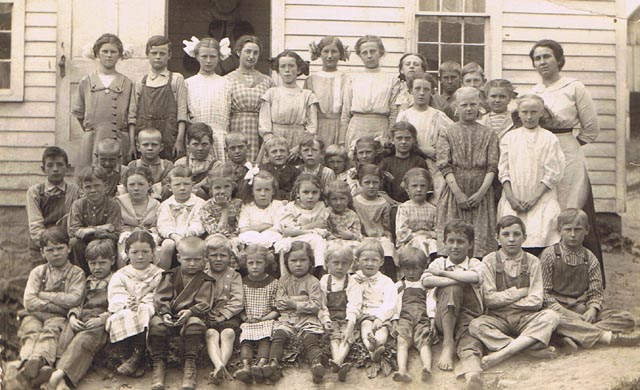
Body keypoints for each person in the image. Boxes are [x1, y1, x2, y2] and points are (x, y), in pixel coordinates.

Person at [528, 39, 604, 276]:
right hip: (540, 153)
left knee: (569, 211)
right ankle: (548, 277)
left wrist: (568, 146)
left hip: (568, 153)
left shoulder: (573, 87)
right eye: (537, 58)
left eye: (547, 56)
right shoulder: (533, 92)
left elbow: (591, 129)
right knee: (544, 213)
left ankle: (583, 278)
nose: (542, 62)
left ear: (558, 59)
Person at [468, 216, 561, 370]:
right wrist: (519, 293)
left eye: (516, 234)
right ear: (497, 237)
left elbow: (536, 301)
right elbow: (489, 299)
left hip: (525, 317)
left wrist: (504, 299)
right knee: (475, 325)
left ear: (524, 238)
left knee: (551, 316)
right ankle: (528, 350)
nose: (511, 239)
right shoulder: (489, 261)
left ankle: (504, 353)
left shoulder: (532, 261)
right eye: (506, 234)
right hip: (498, 317)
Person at [541, 209, 639, 349]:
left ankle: (572, 336)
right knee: (550, 320)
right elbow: (544, 294)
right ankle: (605, 337)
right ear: (559, 230)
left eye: (578, 230)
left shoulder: (590, 258)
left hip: (582, 309)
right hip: (558, 310)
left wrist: (592, 309)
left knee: (626, 318)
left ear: (587, 230)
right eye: (568, 229)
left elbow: (596, 292)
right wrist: (567, 313)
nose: (573, 234)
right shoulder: (549, 255)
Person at [16, 227, 85, 389]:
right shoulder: (38, 272)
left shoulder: (76, 273)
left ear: (68, 248)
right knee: (30, 331)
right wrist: (57, 305)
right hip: (34, 315)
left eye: (60, 248)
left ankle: (40, 360)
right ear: (42, 252)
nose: (56, 253)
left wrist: (44, 295)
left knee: (50, 333)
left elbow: (74, 298)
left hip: (57, 318)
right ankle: (28, 363)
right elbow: (29, 301)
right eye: (50, 250)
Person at [498, 94, 566, 256]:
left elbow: (553, 172)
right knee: (512, 238)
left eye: (534, 112)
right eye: (525, 112)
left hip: (541, 197)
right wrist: (511, 198)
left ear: (541, 113)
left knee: (541, 236)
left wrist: (535, 198)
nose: (529, 117)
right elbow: (503, 170)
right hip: (514, 197)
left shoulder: (549, 138)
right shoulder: (510, 137)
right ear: (518, 113)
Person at [436, 87, 499, 258]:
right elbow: (444, 165)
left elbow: (492, 166)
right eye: (464, 105)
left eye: (473, 104)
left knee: (480, 244)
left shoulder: (489, 134)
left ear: (480, 105)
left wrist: (480, 194)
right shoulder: (447, 132)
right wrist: (458, 194)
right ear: (457, 106)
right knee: (454, 239)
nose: (469, 108)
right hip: (455, 189)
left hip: (481, 190)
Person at [423, 219, 484, 390]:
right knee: (453, 288)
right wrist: (454, 279)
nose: (455, 246)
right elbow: (426, 280)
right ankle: (448, 343)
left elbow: (475, 277)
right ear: (444, 243)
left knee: (469, 342)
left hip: (468, 318)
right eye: (451, 241)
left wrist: (444, 275)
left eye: (461, 242)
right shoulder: (438, 262)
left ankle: (473, 374)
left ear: (470, 244)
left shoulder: (474, 264)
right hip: (444, 318)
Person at [47, 239, 115, 390]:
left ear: (112, 261)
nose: (97, 267)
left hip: (99, 323)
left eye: (102, 262)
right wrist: (72, 317)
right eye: (92, 263)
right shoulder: (87, 281)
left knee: (83, 341)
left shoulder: (116, 280)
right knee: (66, 336)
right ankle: (61, 379)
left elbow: (119, 306)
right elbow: (78, 302)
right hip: (81, 317)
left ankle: (60, 374)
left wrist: (102, 319)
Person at [148, 236, 214, 390]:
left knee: (196, 325)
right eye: (187, 259)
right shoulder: (169, 276)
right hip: (169, 315)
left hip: (191, 317)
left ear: (204, 260)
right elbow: (160, 297)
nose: (192, 264)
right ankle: (159, 362)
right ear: (178, 258)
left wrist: (191, 312)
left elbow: (205, 302)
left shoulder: (205, 280)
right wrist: (164, 313)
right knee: (156, 324)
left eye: (197, 260)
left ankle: (190, 362)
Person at [263, 241, 327, 384]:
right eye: (294, 260)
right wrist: (303, 299)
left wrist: (293, 303)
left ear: (310, 262)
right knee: (278, 337)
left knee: (310, 339)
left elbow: (316, 305)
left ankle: (316, 364)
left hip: (307, 319)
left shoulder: (313, 282)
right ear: (287, 262)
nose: (298, 264)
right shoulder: (284, 280)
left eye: (303, 260)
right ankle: (274, 364)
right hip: (287, 318)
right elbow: (279, 303)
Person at [106, 231, 163, 377]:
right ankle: (128, 356)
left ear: (153, 253)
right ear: (127, 253)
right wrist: (127, 302)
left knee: (142, 311)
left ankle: (139, 354)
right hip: (128, 307)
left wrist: (143, 302)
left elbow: (162, 294)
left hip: (148, 306)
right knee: (123, 315)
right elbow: (116, 294)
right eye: (135, 252)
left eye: (145, 252)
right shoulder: (121, 274)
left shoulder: (159, 274)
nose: (140, 256)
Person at [72, 33, 133, 168]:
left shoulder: (127, 83)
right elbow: (79, 114)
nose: (109, 55)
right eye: (105, 51)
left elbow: (131, 115)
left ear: (119, 55)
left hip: (119, 139)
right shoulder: (87, 81)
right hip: (93, 141)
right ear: (97, 54)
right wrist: (93, 131)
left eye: (113, 52)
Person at [128, 35, 188, 161]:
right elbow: (132, 116)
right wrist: (132, 144)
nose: (158, 57)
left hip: (168, 136)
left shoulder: (176, 79)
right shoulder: (140, 82)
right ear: (147, 54)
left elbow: (182, 114)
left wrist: (179, 140)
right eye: (154, 53)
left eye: (162, 53)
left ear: (169, 55)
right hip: (144, 136)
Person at [397, 73, 453, 199]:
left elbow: (453, 136)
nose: (421, 93)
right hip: (410, 162)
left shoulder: (438, 115)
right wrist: (423, 150)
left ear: (432, 92)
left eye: (426, 89)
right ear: (411, 91)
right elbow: (399, 140)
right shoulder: (404, 116)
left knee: (434, 198)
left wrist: (439, 148)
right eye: (417, 89)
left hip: (432, 165)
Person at [27, 147, 82, 265]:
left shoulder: (74, 190)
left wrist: (63, 246)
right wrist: (50, 247)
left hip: (66, 244)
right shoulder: (35, 192)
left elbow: (76, 221)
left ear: (67, 167)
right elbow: (35, 226)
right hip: (43, 245)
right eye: (50, 165)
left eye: (60, 165)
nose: (55, 169)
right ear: (43, 169)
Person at [341, 35, 398, 149]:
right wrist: (342, 141)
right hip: (357, 126)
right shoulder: (352, 78)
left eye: (373, 51)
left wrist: (390, 134)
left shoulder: (391, 79)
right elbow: (345, 112)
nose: (369, 56)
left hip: (381, 126)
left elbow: (393, 112)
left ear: (380, 53)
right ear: (360, 55)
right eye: (364, 53)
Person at [259, 50, 318, 159]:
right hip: (274, 144)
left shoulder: (307, 96)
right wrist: (274, 144)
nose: (287, 70)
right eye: (283, 66)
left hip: (299, 144)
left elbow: (312, 127)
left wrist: (299, 147)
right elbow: (264, 124)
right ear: (278, 70)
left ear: (298, 69)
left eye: (291, 66)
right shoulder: (271, 93)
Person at [226, 35, 275, 162]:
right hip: (235, 125)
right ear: (238, 52)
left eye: (255, 53)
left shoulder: (267, 81)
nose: (251, 56)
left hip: (258, 129)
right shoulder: (227, 79)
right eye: (247, 51)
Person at [234, 245, 279, 384]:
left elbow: (276, 309)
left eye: (258, 263)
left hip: (266, 318)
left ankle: (261, 364)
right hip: (249, 320)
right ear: (245, 264)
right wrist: (245, 318)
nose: (254, 266)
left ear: (266, 264)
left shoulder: (273, 283)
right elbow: (239, 306)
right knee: (245, 340)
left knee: (265, 339)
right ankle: (246, 366)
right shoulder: (242, 283)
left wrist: (263, 318)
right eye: (250, 263)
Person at [319, 244, 363, 382]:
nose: (340, 267)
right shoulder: (325, 281)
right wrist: (325, 320)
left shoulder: (352, 282)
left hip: (346, 317)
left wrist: (350, 325)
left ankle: (338, 360)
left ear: (350, 265)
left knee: (347, 336)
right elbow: (322, 304)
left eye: (344, 263)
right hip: (331, 317)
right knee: (334, 336)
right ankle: (338, 361)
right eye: (335, 263)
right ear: (327, 264)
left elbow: (354, 305)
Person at [204, 235, 244, 385]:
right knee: (210, 334)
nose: (218, 259)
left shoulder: (234, 275)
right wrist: (207, 312)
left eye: (223, 255)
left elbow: (238, 301)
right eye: (214, 255)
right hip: (209, 315)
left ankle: (220, 367)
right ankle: (219, 365)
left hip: (229, 315)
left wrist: (224, 314)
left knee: (228, 333)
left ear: (230, 257)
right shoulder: (203, 275)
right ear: (207, 257)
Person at [184, 37, 231, 162]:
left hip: (220, 138)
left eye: (213, 57)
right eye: (204, 56)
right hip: (197, 139)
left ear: (219, 57)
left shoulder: (226, 83)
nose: (208, 61)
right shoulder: (188, 83)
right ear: (197, 56)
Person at [68, 167, 122, 275]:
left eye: (97, 185)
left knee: (109, 244)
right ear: (82, 189)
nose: (93, 190)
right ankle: (83, 275)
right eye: (88, 187)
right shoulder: (78, 205)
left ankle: (108, 276)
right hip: (84, 242)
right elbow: (73, 230)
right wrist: (102, 228)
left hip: (106, 242)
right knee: (74, 242)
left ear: (105, 186)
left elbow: (114, 232)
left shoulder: (113, 205)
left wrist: (89, 230)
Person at [392, 246, 434, 384]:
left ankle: (427, 367)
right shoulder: (400, 285)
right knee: (402, 342)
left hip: (422, 318)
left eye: (415, 269)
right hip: (405, 319)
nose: (410, 273)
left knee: (424, 342)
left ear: (423, 267)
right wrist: (394, 320)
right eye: (407, 269)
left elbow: (431, 302)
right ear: (401, 268)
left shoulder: (425, 285)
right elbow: (395, 304)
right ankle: (402, 370)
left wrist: (432, 319)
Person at [275, 174, 330, 277]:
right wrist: (310, 227)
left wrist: (301, 229)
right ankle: (285, 278)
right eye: (306, 192)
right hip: (293, 238)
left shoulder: (321, 206)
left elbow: (323, 227)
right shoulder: (290, 208)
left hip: (312, 236)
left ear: (319, 193)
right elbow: (287, 231)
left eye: (314, 192)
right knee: (284, 246)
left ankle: (320, 270)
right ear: (298, 193)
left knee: (317, 240)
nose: (310, 196)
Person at [353, 238, 398, 363]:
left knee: (382, 330)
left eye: (374, 260)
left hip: (381, 314)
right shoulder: (353, 280)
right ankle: (370, 346)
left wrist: (380, 318)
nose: (370, 263)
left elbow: (390, 304)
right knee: (365, 326)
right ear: (357, 261)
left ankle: (378, 344)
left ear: (382, 262)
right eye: (365, 260)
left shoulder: (387, 281)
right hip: (364, 315)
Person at [352, 164, 396, 280]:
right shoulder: (354, 202)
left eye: (375, 182)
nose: (371, 186)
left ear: (380, 182)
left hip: (379, 237)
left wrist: (387, 236)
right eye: (367, 183)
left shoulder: (383, 203)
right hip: (361, 236)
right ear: (360, 183)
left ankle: (390, 279)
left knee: (387, 246)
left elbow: (386, 227)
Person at [157, 166, 206, 269]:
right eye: (177, 184)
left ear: (192, 185)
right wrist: (174, 236)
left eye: (186, 184)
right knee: (167, 245)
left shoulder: (200, 203)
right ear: (169, 187)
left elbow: (199, 222)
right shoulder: (165, 205)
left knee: (198, 245)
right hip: (172, 238)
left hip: (193, 236)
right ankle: (162, 274)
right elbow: (163, 224)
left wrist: (190, 234)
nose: (182, 188)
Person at [304, 36, 350, 145]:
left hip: (340, 128)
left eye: (334, 52)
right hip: (317, 127)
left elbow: (347, 110)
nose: (329, 56)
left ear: (340, 54)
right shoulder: (311, 80)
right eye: (326, 51)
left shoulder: (346, 79)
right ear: (320, 53)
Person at [116, 166, 161, 267]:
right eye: (131, 185)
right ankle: (123, 272)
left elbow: (157, 226)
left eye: (141, 184)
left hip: (148, 236)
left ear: (149, 185)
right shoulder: (119, 202)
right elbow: (116, 224)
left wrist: (147, 232)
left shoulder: (156, 204)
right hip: (125, 235)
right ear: (126, 186)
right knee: (123, 240)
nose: (136, 188)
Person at [379, 121, 429, 203]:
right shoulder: (385, 162)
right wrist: (391, 202)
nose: (403, 142)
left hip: (414, 205)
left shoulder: (419, 162)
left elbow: (426, 187)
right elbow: (380, 189)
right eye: (399, 138)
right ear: (392, 140)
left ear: (413, 140)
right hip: (390, 205)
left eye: (407, 138)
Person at [395, 168, 438, 261]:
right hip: (409, 245)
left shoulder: (433, 209)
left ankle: (434, 265)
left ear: (428, 188)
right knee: (420, 241)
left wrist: (428, 234)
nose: (419, 189)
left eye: (423, 186)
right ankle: (423, 265)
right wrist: (416, 235)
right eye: (414, 186)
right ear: (407, 188)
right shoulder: (404, 208)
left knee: (434, 244)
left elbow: (439, 231)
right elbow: (401, 233)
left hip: (429, 242)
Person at [238, 170, 285, 249]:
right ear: (252, 191)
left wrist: (254, 229)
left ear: (273, 191)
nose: (263, 194)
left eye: (267, 190)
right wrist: (263, 226)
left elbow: (278, 228)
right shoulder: (247, 206)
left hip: (271, 239)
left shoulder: (278, 206)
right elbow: (243, 228)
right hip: (250, 240)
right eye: (258, 190)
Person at [124, 128, 174, 201]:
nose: (150, 148)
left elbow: (168, 186)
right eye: (145, 145)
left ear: (161, 147)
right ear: (138, 147)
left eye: (154, 145)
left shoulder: (167, 165)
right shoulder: (133, 165)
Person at [199, 165, 243, 243]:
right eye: (217, 188)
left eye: (226, 187)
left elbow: (241, 226)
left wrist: (235, 234)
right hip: (216, 240)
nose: (222, 191)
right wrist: (225, 209)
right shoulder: (206, 207)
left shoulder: (238, 204)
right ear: (211, 189)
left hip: (236, 238)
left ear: (232, 187)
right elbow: (215, 233)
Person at [174, 122, 218, 187]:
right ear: (188, 144)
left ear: (211, 144)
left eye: (204, 144)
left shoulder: (217, 165)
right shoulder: (180, 163)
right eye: (195, 144)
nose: (200, 148)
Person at [259, 136, 301, 200]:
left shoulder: (295, 172)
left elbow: (296, 192)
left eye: (282, 151)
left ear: (288, 154)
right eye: (274, 152)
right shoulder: (262, 170)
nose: (278, 154)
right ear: (267, 156)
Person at [326, 180, 362, 252]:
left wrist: (351, 236)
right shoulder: (326, 213)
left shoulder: (352, 215)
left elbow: (358, 235)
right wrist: (332, 237)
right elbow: (324, 229)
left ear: (348, 199)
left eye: (342, 199)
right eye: (334, 199)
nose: (338, 203)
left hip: (349, 243)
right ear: (328, 200)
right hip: (331, 243)